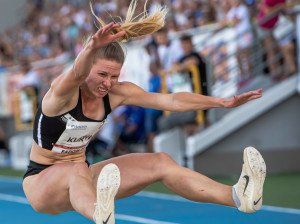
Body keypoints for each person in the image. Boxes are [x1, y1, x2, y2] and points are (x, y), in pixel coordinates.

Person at [22, 1, 266, 224]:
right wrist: (92, 47)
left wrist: (220, 102)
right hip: (42, 183)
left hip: (82, 178)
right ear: (87, 68)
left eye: (114, 76)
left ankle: (238, 196)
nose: (108, 83)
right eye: (102, 74)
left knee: (160, 162)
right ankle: (100, 214)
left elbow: (170, 100)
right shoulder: (61, 95)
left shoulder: (117, 93)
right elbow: (75, 73)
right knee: (77, 169)